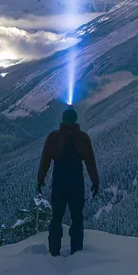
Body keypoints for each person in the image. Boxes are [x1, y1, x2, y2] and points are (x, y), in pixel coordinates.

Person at [37, 107, 99, 256]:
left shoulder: (54, 137)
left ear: (63, 119)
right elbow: (90, 161)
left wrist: (40, 179)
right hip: (76, 184)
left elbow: (45, 160)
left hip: (59, 183)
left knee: (56, 217)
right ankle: (76, 251)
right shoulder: (83, 138)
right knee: (77, 216)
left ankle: (54, 251)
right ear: (75, 119)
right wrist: (95, 181)